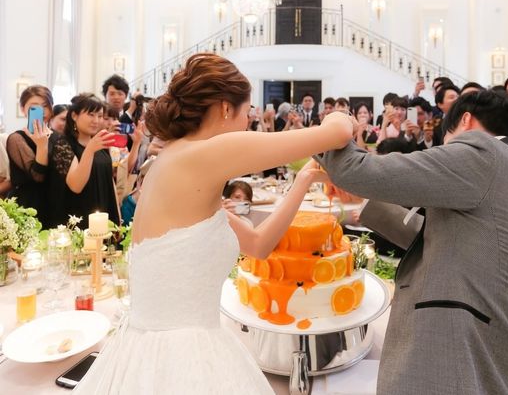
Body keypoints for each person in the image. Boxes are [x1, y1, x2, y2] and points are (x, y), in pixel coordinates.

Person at [73, 53, 352, 394]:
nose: (247, 123)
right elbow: (337, 132)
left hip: (143, 348)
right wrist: (340, 114)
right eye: (247, 113)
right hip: (182, 355)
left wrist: (304, 178)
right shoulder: (204, 155)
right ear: (225, 108)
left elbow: (258, 244)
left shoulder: (178, 159)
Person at [315, 90, 508, 395]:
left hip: (460, 348)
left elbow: (354, 169)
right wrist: (366, 200)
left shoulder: (482, 154)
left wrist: (333, 126)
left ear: (466, 121)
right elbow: (454, 240)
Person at [48, 93, 119, 228]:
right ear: (74, 116)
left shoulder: (100, 143)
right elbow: (76, 185)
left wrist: (118, 217)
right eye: (91, 114)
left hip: (105, 214)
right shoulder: (63, 145)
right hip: (79, 218)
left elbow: (110, 182)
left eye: (100, 116)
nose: (96, 120)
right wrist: (90, 150)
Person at [6, 85, 53, 226]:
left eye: (45, 106)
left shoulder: (56, 136)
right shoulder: (17, 139)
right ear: (22, 109)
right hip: (29, 206)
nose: (41, 111)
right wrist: (42, 145)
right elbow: (38, 176)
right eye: (34, 107)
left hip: (53, 201)